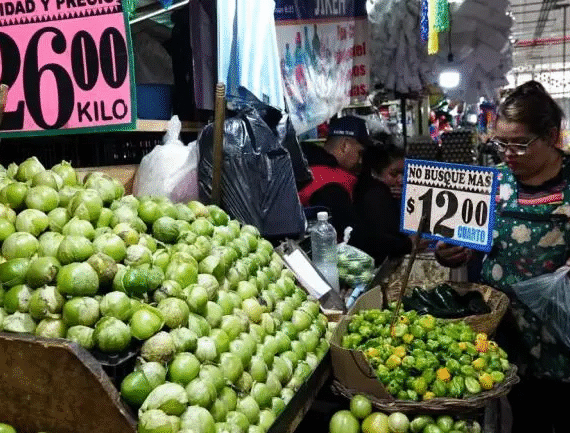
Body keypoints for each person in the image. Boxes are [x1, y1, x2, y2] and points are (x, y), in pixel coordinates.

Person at [435, 80, 570, 433]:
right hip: (507, 331)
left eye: (520, 144)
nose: (509, 153)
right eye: (501, 143)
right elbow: (461, 242)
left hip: (562, 334)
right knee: (525, 416)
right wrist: (450, 253)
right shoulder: (491, 183)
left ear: (551, 136)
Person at [298, 115, 408, 264]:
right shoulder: (330, 184)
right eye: (360, 153)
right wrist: (405, 245)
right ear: (345, 145)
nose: (361, 161)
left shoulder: (311, 168)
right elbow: (356, 239)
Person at [353, 145, 429, 263]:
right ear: (375, 173)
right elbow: (378, 241)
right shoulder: (375, 194)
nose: (400, 180)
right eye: (393, 174)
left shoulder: (387, 194)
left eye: (404, 174)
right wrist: (408, 244)